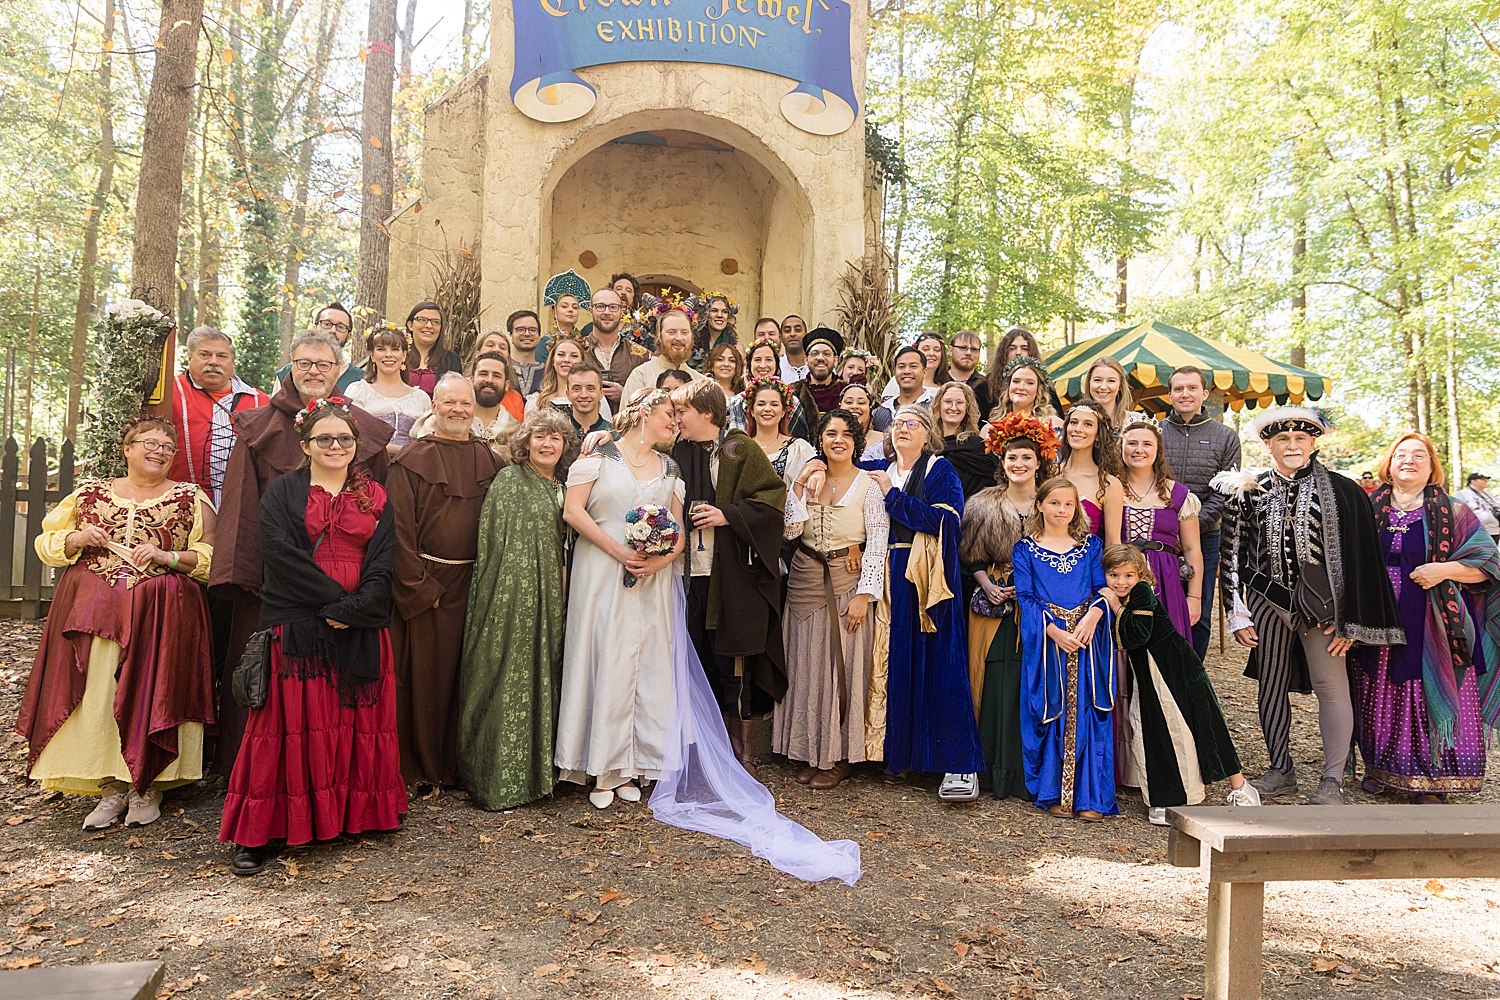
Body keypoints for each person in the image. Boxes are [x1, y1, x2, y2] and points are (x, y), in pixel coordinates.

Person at [219, 398, 407, 875]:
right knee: (283, 728)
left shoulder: (376, 496)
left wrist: (356, 609)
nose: (336, 445)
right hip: (299, 621)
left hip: (359, 624)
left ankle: (350, 816)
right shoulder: (283, 493)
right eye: (324, 438)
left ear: (355, 445)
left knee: (349, 723)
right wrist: (332, 606)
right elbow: (280, 556)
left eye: (344, 438)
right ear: (305, 445)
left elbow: (383, 563)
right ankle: (257, 834)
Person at [210, 331, 394, 776]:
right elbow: (241, 509)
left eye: (324, 364)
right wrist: (246, 575)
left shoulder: (363, 430)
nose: (314, 371)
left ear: (338, 371)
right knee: (280, 699)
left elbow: (379, 510)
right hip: (280, 588)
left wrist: (359, 601)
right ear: (289, 366)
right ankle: (256, 774)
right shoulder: (259, 428)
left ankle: (340, 780)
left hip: (352, 597)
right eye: (305, 362)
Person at [17, 417, 215, 830]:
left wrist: (167, 558)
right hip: (91, 614)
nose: (159, 451)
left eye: (167, 446)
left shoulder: (190, 498)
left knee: (151, 690)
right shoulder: (89, 493)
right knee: (98, 693)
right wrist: (76, 539)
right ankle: (110, 785)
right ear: (127, 449)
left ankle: (147, 786)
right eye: (150, 443)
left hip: (162, 618)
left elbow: (211, 557)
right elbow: (47, 543)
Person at [1218, 406, 1403, 805]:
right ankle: (1280, 770)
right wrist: (1237, 611)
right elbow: (1232, 553)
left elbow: (1361, 560)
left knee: (1331, 688)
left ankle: (1331, 780)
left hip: (1324, 611)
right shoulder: (1248, 488)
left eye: (1300, 438)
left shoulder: (1343, 491)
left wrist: (1349, 621)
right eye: (1282, 439)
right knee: (1270, 685)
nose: (1292, 445)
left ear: (1313, 442)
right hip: (1266, 601)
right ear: (1268, 444)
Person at [557, 388, 686, 806]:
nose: (675, 422)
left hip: (651, 579)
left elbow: (680, 532)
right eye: (670, 413)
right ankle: (601, 769)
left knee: (648, 664)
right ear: (645, 411)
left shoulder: (670, 468)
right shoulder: (598, 458)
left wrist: (661, 561)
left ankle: (634, 765)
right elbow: (574, 512)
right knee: (605, 657)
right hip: (600, 573)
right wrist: (618, 551)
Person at [1354, 433, 1500, 802]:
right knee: (1379, 689)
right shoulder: (1367, 506)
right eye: (1401, 454)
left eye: (1419, 455)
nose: (1409, 460)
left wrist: (1444, 570)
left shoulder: (1454, 510)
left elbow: (1489, 563)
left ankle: (1435, 777)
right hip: (1378, 617)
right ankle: (1382, 769)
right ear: (1389, 463)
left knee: (1423, 688)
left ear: (1432, 466)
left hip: (1434, 622)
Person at [861, 404, 985, 800]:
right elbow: (838, 457)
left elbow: (946, 521)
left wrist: (894, 497)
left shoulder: (938, 470)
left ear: (928, 434)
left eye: (911, 424)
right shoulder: (879, 466)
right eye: (896, 424)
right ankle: (900, 758)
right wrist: (813, 463)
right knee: (897, 661)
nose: (901, 429)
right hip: (888, 572)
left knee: (940, 665)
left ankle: (959, 766)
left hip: (929, 579)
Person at [388, 374, 505, 787]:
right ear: (433, 406)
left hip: (476, 584)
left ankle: (460, 765)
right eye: (449, 402)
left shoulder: (491, 460)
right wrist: (419, 588)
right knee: (425, 678)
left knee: (469, 678)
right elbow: (398, 532)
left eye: (466, 404)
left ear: (475, 409)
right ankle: (421, 767)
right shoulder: (409, 461)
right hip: (428, 585)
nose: (458, 410)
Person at [458, 409, 578, 810]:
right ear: (525, 442)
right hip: (510, 599)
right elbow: (494, 543)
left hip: (551, 595)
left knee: (544, 675)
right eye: (540, 437)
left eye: (556, 438)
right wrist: (509, 595)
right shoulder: (510, 480)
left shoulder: (564, 487)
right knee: (505, 674)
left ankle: (539, 775)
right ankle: (497, 779)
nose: (547, 444)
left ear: (564, 447)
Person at [672, 381, 790, 776]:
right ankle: (702, 753)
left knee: (733, 663)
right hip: (688, 576)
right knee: (693, 659)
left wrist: (727, 515)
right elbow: (632, 447)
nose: (676, 420)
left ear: (707, 412)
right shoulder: (678, 450)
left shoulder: (739, 449)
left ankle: (740, 755)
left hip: (731, 578)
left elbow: (773, 501)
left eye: (682, 412)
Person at [1100, 544, 1260, 824]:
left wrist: (1114, 607)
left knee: (1172, 727)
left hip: (1171, 669)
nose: (1121, 582)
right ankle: (1229, 787)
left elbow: (1136, 635)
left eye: (1128, 575)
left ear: (1140, 575)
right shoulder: (1135, 594)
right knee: (1193, 724)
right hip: (1163, 668)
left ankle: (1197, 794)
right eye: (1114, 575)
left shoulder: (1141, 593)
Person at [778, 409, 888, 789]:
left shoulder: (867, 486)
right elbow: (791, 529)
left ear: (856, 442)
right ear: (820, 441)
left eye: (845, 434)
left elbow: (877, 545)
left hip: (847, 582)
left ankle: (838, 756)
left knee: (840, 669)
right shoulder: (810, 480)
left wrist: (864, 595)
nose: (837, 440)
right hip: (806, 577)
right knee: (807, 665)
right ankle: (811, 751)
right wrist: (799, 485)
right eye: (830, 434)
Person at [960, 414, 1057, 800]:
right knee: (994, 682)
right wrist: (988, 584)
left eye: (1026, 458)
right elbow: (969, 557)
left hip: (1042, 605)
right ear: (1002, 463)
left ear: (1038, 462)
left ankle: (1028, 773)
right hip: (993, 605)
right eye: (1011, 458)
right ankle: (991, 771)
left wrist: (1031, 587)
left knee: (1031, 682)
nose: (1018, 465)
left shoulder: (1053, 501)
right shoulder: (982, 504)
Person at [1013, 478, 1116, 819]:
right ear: (1040, 504)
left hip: (1087, 641)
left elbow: (1102, 588)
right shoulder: (1025, 549)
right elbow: (1025, 598)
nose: (1062, 510)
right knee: (1051, 710)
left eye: (1068, 504)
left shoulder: (1090, 546)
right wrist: (1053, 631)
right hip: (1049, 642)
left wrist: (1094, 616)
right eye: (1054, 503)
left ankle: (1091, 799)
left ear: (1077, 509)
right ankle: (1054, 792)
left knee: (1089, 712)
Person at [1159, 366, 1242, 661]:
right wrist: (1170, 528)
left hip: (1206, 536)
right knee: (1161, 605)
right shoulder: (1155, 433)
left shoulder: (1225, 436)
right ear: (1169, 395)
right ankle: (1164, 674)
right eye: (1178, 388)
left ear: (1204, 393)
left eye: (1192, 388)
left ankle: (1194, 674)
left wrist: (1191, 528)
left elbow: (1226, 490)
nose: (1185, 394)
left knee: (1199, 609)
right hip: (1161, 536)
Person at [1119, 422, 1203, 641]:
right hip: (1119, 579)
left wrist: (1194, 597)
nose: (1139, 450)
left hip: (1165, 581)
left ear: (1158, 450)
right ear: (1121, 447)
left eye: (1147, 444)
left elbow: (1192, 548)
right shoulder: (1109, 488)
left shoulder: (1177, 493)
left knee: (1165, 649)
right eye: (1132, 443)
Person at [169, 327, 270, 506]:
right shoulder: (169, 392)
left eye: (222, 356)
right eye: (205, 354)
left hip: (240, 507)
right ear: (190, 358)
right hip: (179, 505)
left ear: (232, 361)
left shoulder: (259, 402)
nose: (213, 362)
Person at [343, 326, 432, 456]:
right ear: (372, 355)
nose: (388, 354)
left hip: (411, 469)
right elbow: (352, 436)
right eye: (381, 349)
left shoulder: (421, 398)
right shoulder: (359, 391)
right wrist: (402, 451)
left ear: (404, 355)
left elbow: (428, 441)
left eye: (395, 349)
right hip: (370, 468)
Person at [413, 351, 522, 450]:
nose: (489, 380)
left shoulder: (516, 432)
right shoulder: (437, 422)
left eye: (496, 376)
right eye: (483, 374)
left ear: (507, 385)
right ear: (471, 379)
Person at [1057, 401, 1122, 545]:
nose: (1078, 429)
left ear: (1098, 435)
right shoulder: (1050, 473)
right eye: (1074, 422)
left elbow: (1113, 543)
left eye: (1088, 424)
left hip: (1086, 565)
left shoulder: (1109, 484)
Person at [273, 303, 365, 393]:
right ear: (314, 328)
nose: (333, 330)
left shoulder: (360, 379)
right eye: (327, 324)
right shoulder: (286, 374)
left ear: (349, 336)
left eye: (340, 327)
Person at [620, 308, 710, 401]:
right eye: (671, 332)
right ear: (660, 337)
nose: (679, 338)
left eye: (684, 332)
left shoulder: (700, 382)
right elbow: (628, 415)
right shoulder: (640, 376)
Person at [744, 377, 817, 489]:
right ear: (752, 411)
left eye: (774, 404)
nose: (767, 409)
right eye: (761, 404)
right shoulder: (741, 447)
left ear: (783, 412)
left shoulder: (798, 449)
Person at [583, 287, 650, 409]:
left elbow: (653, 399)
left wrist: (626, 394)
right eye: (600, 306)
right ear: (591, 310)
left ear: (622, 311)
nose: (607, 312)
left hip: (628, 426)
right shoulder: (576, 351)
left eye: (613, 307)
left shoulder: (641, 355)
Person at [736, 339, 816, 440]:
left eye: (769, 359)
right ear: (749, 364)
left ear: (776, 364)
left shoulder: (791, 401)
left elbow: (801, 441)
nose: (763, 365)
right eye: (757, 360)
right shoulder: (736, 403)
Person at [932, 381, 996, 498]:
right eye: (948, 401)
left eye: (960, 402)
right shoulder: (928, 445)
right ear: (938, 405)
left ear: (967, 407)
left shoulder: (978, 446)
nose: (953, 407)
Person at [986, 327, 1063, 417]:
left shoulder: (1047, 390)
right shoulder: (985, 387)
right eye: (1012, 348)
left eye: (1024, 348)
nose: (1018, 353)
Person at [870, 346, 934, 439]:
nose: (907, 371)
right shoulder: (880, 412)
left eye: (913, 366)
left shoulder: (936, 408)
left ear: (924, 372)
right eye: (901, 367)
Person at [994, 356, 1063, 437]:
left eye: (1029, 383)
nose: (1021, 387)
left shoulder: (1054, 425)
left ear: (1039, 387)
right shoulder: (991, 428)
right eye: (1016, 381)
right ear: (1009, 385)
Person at [404, 301, 462, 396]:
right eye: (422, 320)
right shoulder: (398, 355)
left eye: (435, 322)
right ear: (410, 325)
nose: (429, 326)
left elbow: (455, 396)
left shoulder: (451, 359)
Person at [790, 328, 848, 414]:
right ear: (806, 359)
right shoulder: (793, 392)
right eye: (815, 353)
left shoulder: (847, 391)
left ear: (835, 360)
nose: (820, 358)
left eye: (826, 354)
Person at [880, 333, 948, 403]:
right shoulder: (899, 380)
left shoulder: (946, 387)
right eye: (925, 349)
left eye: (936, 350)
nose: (931, 353)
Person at [1084, 356, 1144, 434]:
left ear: (1120, 385)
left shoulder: (1136, 421)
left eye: (1111, 381)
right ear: (1089, 382)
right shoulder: (1076, 422)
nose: (1103, 387)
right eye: (1097, 380)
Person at [946, 330, 992, 419]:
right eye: (963, 348)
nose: (968, 353)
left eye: (974, 349)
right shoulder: (937, 381)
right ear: (951, 350)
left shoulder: (987, 386)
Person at [565, 361, 613, 436]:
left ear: (601, 394)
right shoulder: (558, 433)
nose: (584, 395)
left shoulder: (614, 434)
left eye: (590, 388)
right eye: (577, 389)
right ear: (568, 395)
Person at [693, 293, 739, 370]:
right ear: (706, 315)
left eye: (724, 311)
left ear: (728, 317)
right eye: (714, 311)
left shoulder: (736, 347)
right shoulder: (694, 343)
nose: (720, 315)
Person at [506, 310, 547, 396]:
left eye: (533, 330)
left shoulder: (549, 372)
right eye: (520, 330)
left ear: (539, 336)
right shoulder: (503, 369)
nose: (527, 334)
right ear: (510, 335)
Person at [1454, 471, 1500, 543]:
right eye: (1482, 479)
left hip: (1494, 531)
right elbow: (1456, 510)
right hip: (1476, 532)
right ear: (1473, 481)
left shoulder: (1488, 494)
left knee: (1493, 553)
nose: (1485, 481)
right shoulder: (1463, 493)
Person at [779, 315, 809, 382]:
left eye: (798, 330)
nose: (792, 334)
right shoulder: (776, 367)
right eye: (787, 331)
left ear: (806, 336)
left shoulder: (818, 364)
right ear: (780, 338)